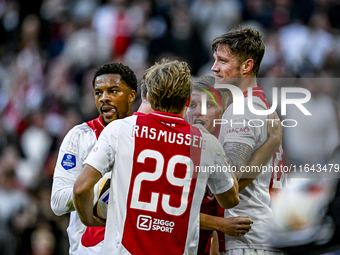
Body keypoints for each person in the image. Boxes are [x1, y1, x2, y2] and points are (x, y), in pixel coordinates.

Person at [73, 59, 240, 255]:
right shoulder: (206, 143)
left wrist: (88, 220)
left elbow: (81, 188)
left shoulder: (120, 129)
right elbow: (230, 200)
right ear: (187, 100)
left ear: (150, 96)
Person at [211, 27, 288, 254]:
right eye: (215, 59)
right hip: (260, 230)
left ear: (247, 66)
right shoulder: (259, 104)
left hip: (245, 237)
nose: (214, 67)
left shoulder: (242, 110)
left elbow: (229, 187)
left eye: (222, 61)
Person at [187, 76, 283, 255]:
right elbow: (171, 211)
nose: (198, 112)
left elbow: (231, 188)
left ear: (224, 111)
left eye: (209, 105)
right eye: (192, 105)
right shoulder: (183, 149)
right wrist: (271, 143)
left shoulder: (225, 148)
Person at [50, 62, 137, 255]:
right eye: (98, 93)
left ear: (131, 95)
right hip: (87, 249)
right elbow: (57, 202)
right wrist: (102, 188)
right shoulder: (79, 136)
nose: (104, 98)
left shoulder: (144, 136)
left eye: (113, 91)